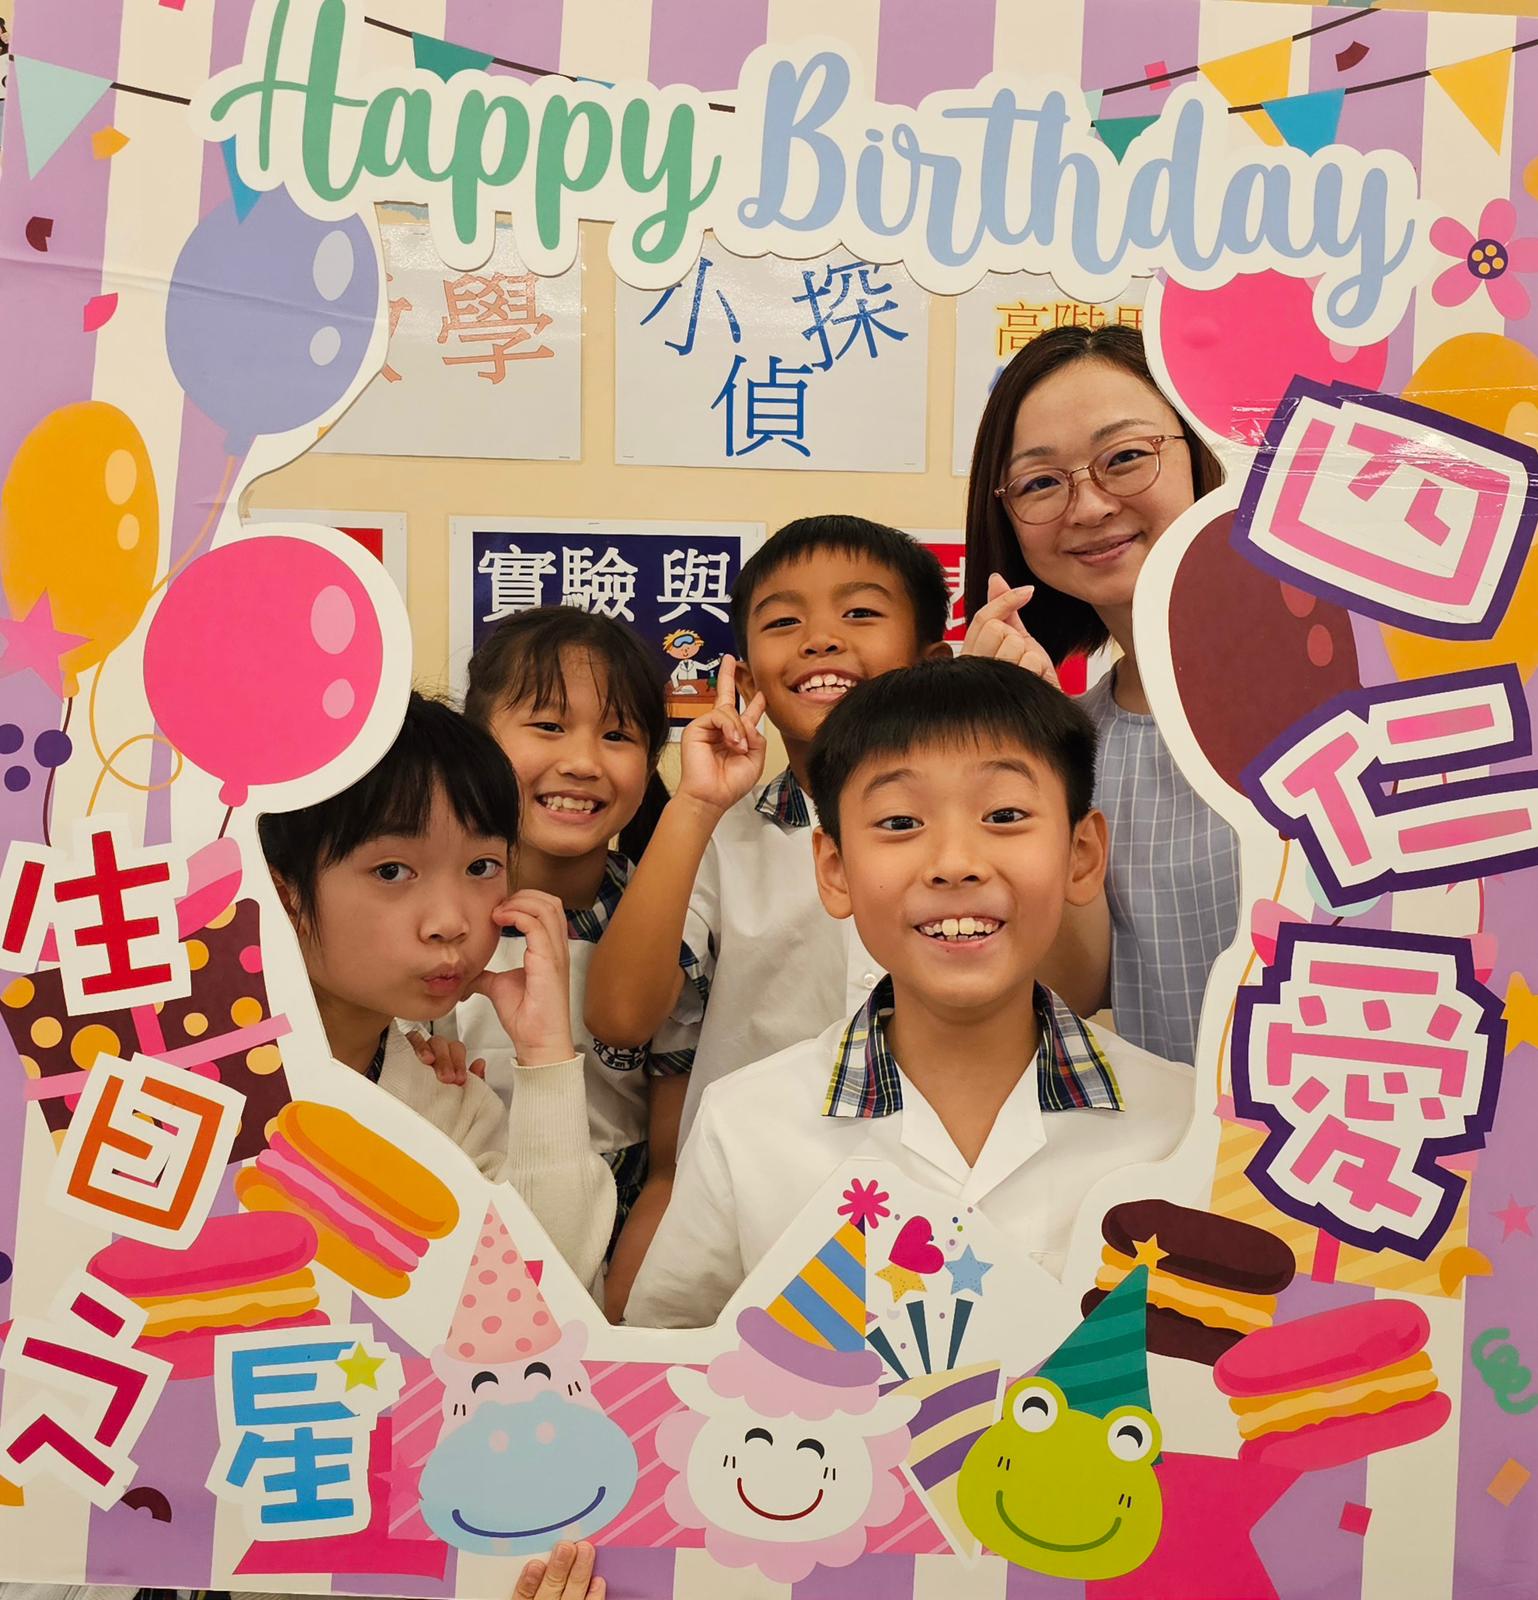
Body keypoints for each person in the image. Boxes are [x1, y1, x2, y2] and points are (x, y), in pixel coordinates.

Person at [625, 657, 1193, 1329]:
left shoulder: (1184, 1125)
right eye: (899, 823)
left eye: (1005, 814)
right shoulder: (746, 1124)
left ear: (1083, 854)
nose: (954, 864)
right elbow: (672, 1359)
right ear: (834, 870)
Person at [583, 515, 953, 1139]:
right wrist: (695, 806)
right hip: (756, 1173)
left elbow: (1070, 988)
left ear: (930, 662)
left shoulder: (982, 833)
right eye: (783, 622)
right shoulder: (718, 837)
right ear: (750, 681)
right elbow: (620, 1019)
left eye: (860, 613)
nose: (820, 640)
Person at [257, 690, 617, 1295]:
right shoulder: (195, 1077)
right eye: (392, 871)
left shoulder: (453, 1107)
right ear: (285, 894)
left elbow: (553, 1293)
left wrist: (546, 1054)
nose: (451, 922)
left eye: (482, 867)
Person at [962, 324, 1238, 1069]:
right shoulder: (1072, 740)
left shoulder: (1346, 674)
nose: (1087, 507)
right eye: (1040, 482)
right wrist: (1025, 746)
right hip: (1184, 1138)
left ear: (1202, 456)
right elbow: (1074, 987)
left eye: (1125, 458)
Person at [429, 607, 706, 1321]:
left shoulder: (664, 919)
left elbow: (670, 1167)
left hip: (612, 1252)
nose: (583, 761)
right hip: (438, 1238)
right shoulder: (423, 910)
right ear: (478, 736)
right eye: (549, 726)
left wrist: (620, 1322)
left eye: (618, 735)